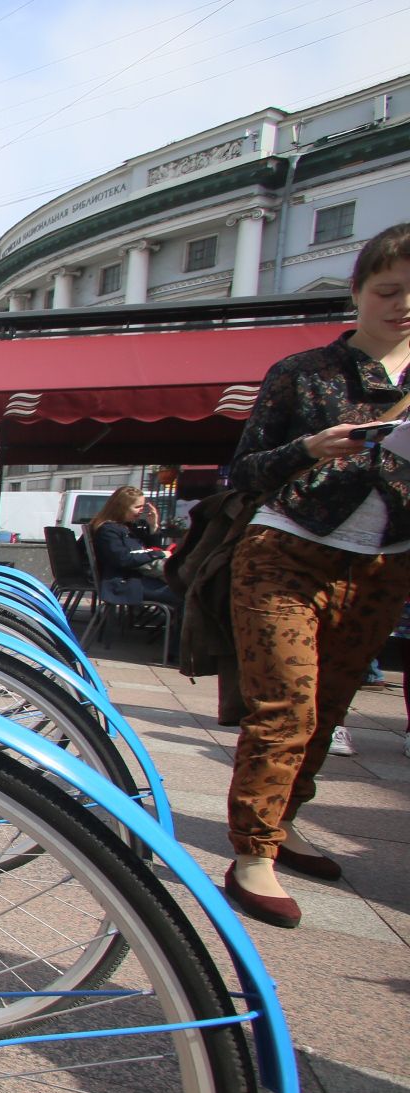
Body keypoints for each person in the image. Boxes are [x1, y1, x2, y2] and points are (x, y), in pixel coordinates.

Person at [218, 221, 410, 928]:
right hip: (288, 551)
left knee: (329, 706)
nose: (403, 304)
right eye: (388, 290)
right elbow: (243, 469)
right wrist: (310, 447)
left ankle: (287, 821)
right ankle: (254, 853)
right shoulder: (306, 372)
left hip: (384, 563)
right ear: (358, 292)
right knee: (285, 705)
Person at [88, 486, 180, 614]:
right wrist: (157, 554)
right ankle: (182, 632)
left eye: (142, 506)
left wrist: (153, 526)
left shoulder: (126, 527)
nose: (141, 511)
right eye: (137, 507)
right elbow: (123, 559)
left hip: (135, 578)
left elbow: (148, 547)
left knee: (185, 589)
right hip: (125, 583)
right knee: (184, 594)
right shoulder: (108, 530)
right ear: (121, 507)